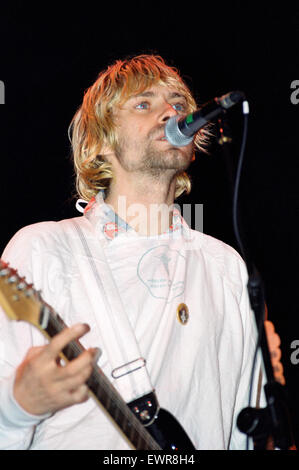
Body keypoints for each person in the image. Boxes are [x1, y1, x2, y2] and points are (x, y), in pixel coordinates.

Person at [0, 54, 265, 450]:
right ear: (101, 143)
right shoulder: (43, 248)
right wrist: (18, 407)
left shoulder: (226, 266)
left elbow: (248, 430)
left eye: (178, 103)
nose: (170, 112)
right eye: (144, 103)